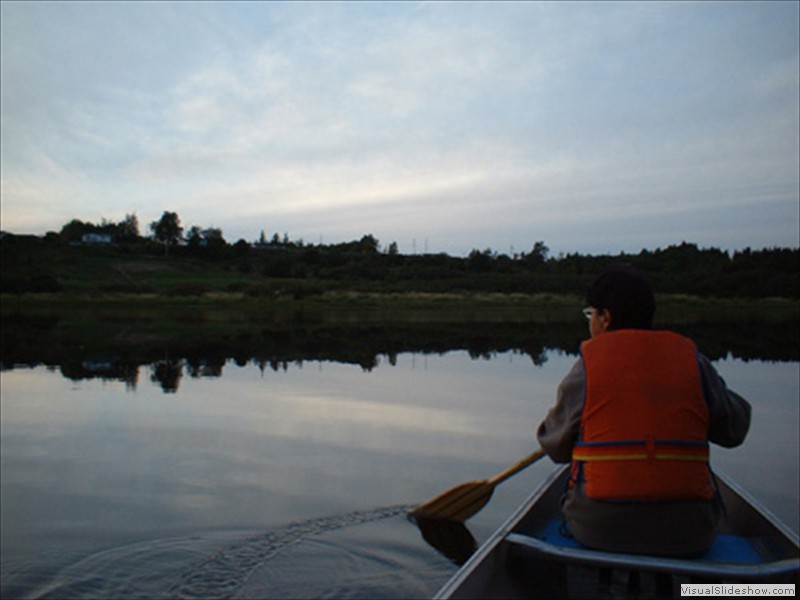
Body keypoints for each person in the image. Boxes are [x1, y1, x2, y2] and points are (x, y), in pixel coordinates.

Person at [537, 265, 751, 557]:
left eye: (591, 314)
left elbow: (556, 448)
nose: (590, 323)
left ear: (606, 318)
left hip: (600, 530)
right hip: (690, 532)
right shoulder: (693, 362)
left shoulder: (587, 368)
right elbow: (734, 431)